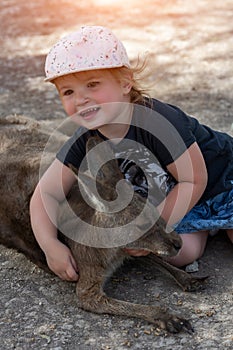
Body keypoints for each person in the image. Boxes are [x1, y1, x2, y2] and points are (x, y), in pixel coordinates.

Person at [30, 25, 233, 282]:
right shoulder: (86, 138)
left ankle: (216, 223)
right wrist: (50, 246)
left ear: (125, 82)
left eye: (92, 85)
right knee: (181, 254)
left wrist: (150, 227)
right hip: (179, 193)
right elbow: (44, 193)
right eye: (68, 92)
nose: (80, 99)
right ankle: (206, 226)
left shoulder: (158, 122)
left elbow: (194, 179)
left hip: (220, 181)